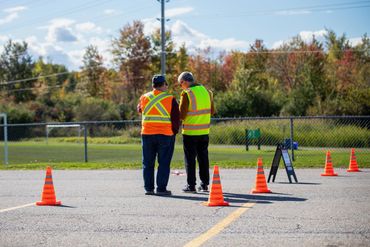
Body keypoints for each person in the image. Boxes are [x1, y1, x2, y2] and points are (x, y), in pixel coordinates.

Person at [137, 75, 180, 196]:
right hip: (165, 134)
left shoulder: (144, 97)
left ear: (153, 86)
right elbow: (176, 117)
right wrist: (174, 132)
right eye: (166, 84)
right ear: (164, 84)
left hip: (147, 134)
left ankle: (149, 188)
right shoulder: (170, 98)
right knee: (164, 163)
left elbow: (140, 110)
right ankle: (161, 188)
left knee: (148, 163)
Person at [177, 71, 215, 193]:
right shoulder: (207, 92)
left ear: (184, 82)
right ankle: (204, 184)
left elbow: (181, 115)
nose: (180, 87)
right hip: (204, 131)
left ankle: (191, 185)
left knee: (190, 160)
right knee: (203, 158)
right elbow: (212, 111)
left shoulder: (186, 93)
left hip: (190, 132)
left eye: (180, 84)